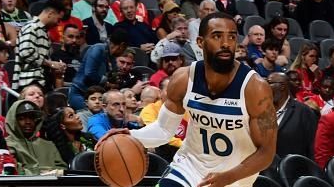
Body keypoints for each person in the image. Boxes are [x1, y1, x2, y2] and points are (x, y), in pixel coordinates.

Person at [98, 12, 277, 187]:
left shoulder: (255, 88)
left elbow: (266, 153)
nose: (225, 44)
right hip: (188, 167)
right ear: (200, 42)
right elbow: (163, 130)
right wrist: (130, 135)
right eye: (217, 36)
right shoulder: (183, 79)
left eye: (231, 37)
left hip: (234, 178)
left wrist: (228, 177)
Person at [12, 0, 67, 91]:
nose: (58, 23)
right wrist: (50, 64)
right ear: (50, 14)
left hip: (41, 81)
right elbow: (26, 52)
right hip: (29, 82)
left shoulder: (43, 31)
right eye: (58, 19)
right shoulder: (31, 27)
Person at [69, 29, 128, 110]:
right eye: (124, 49)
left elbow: (112, 76)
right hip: (80, 93)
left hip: (96, 96)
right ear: (122, 45)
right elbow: (89, 73)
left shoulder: (112, 57)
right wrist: (107, 83)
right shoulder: (98, 49)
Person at [5, 100, 67, 175]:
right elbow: (12, 170)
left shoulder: (48, 145)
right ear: (13, 121)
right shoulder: (7, 145)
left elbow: (62, 168)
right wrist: (41, 173)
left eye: (31, 118)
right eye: (22, 118)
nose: (28, 122)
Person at [267, 72, 318, 159]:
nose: (265, 86)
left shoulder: (304, 112)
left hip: (293, 168)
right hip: (265, 169)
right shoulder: (261, 110)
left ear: (282, 86)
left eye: (269, 83)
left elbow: (312, 147)